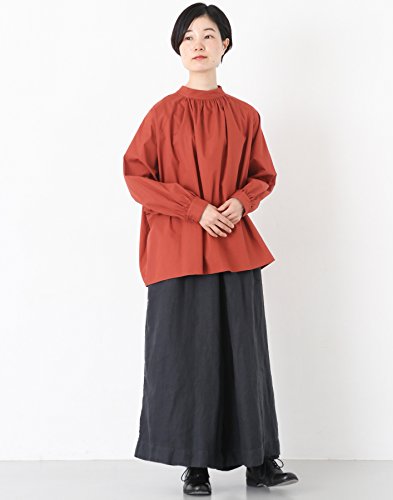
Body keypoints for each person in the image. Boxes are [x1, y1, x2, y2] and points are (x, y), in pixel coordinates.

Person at [123, 2, 299, 495]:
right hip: (177, 251)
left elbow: (262, 175)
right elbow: (137, 178)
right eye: (188, 37)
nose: (197, 44)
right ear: (178, 49)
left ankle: (259, 461)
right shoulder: (161, 114)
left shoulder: (245, 115)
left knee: (245, 356)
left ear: (225, 45)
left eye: (207, 35)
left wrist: (242, 202)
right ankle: (194, 465)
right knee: (186, 358)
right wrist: (193, 208)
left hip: (233, 247)